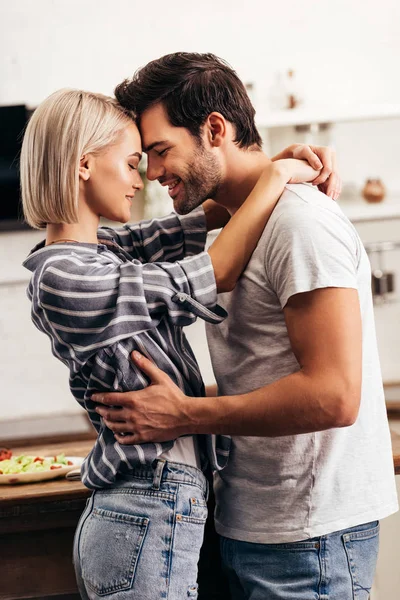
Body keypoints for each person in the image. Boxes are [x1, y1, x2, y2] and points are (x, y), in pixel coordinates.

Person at [94, 52, 399, 600]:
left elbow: (333, 396)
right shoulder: (237, 222)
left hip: (310, 539)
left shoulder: (301, 222)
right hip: (252, 523)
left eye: (162, 151)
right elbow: (264, 373)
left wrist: (186, 415)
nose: (153, 173)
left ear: (215, 129)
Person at [21, 88, 327, 599]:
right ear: (83, 165)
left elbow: (203, 218)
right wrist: (275, 177)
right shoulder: (64, 276)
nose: (141, 178)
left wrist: (275, 165)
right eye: (132, 162)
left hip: (163, 501)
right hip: (143, 503)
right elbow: (215, 270)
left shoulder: (104, 250)